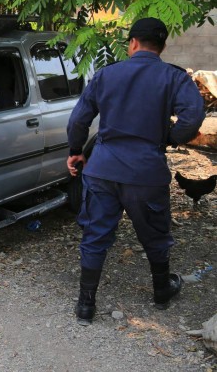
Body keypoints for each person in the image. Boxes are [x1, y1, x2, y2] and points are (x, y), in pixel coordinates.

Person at [66, 17, 205, 326]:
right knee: (155, 234)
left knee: (95, 235)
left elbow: (78, 121)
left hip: (102, 169)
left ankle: (85, 306)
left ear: (132, 43)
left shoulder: (106, 75)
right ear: (163, 47)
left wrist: (76, 152)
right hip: (146, 172)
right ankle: (161, 291)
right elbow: (193, 116)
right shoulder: (174, 77)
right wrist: (170, 137)